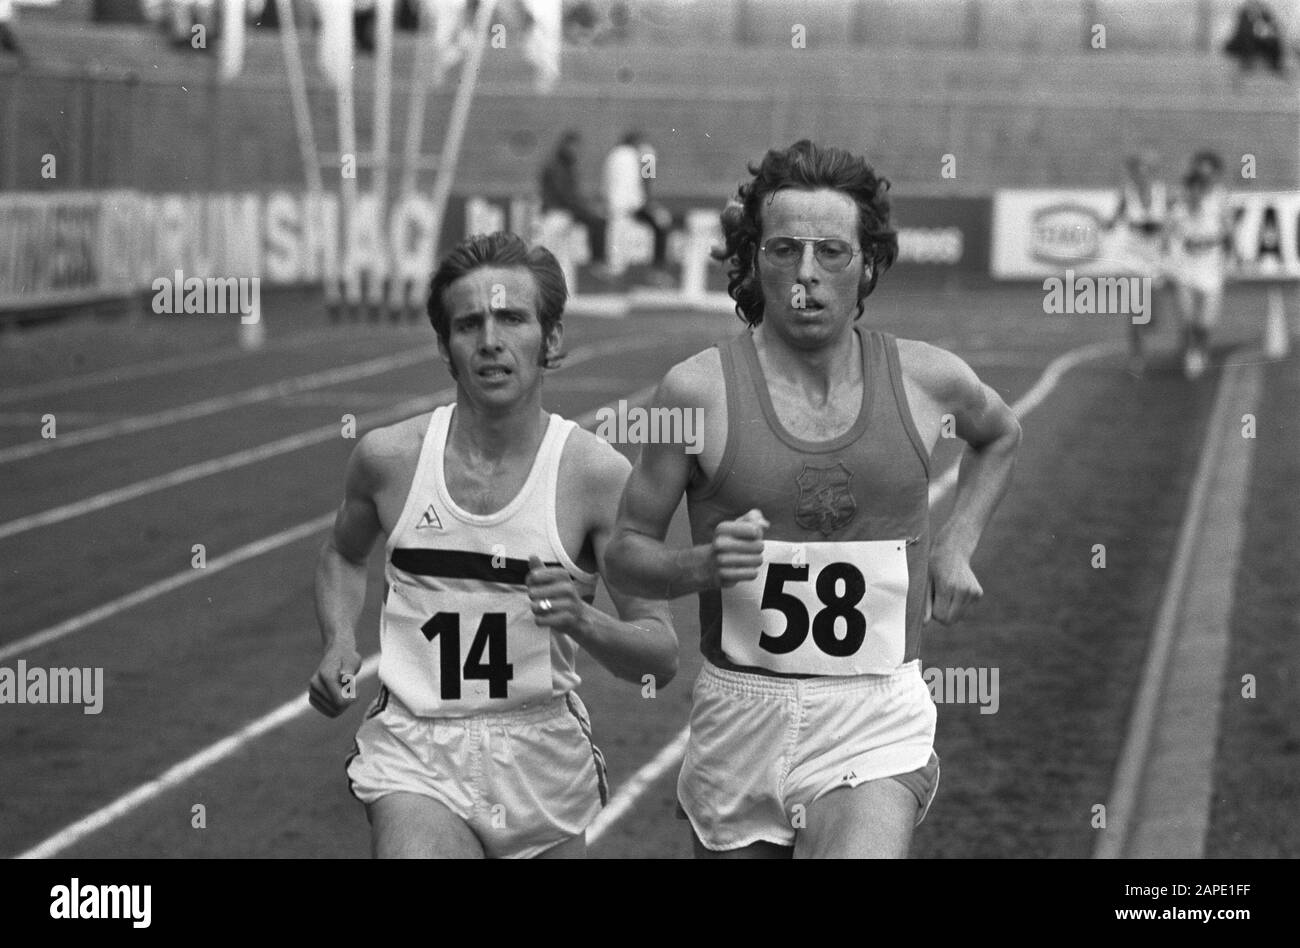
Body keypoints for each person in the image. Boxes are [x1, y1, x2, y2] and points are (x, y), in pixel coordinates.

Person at [604, 140, 1022, 858]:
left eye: (831, 252)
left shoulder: (928, 381)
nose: (806, 276)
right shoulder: (694, 393)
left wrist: (956, 544)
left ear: (869, 263)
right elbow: (624, 556)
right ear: (752, 258)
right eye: (784, 249)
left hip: (874, 715)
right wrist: (700, 568)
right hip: (740, 720)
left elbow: (1000, 434)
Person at [309, 232, 678, 859]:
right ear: (446, 347)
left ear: (552, 338)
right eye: (469, 323)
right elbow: (344, 554)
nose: (490, 341)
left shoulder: (594, 477)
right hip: (416, 749)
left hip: (540, 757)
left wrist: (583, 619)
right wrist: (340, 640)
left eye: (512, 318)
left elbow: (660, 654)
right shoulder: (389, 459)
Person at [1104, 150, 1171, 377]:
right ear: (1132, 175)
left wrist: (1162, 231)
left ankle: (1145, 332)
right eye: (1137, 172)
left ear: (1151, 174)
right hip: (1131, 261)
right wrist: (1108, 224)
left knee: (1152, 318)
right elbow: (1115, 219)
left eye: (1146, 172)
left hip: (1155, 261)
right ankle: (1137, 357)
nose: (1142, 177)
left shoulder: (1164, 194)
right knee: (1136, 312)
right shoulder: (1127, 195)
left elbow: (1174, 220)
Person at [1168, 154, 1232, 379]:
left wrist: (1233, 256)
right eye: (1191, 188)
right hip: (1186, 267)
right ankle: (1190, 353)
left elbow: (1228, 232)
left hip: (1211, 267)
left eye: (1200, 187)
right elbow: (1168, 236)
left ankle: (1201, 349)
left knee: (1205, 323)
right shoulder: (1178, 209)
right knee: (1186, 318)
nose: (1195, 193)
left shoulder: (1218, 202)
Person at [603, 129, 674, 282]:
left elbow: (607, 183)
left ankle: (615, 270)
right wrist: (649, 200)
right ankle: (657, 270)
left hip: (616, 205)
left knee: (616, 238)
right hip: (636, 204)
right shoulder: (646, 152)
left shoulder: (613, 155)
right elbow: (648, 179)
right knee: (662, 224)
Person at [539, 130, 609, 268]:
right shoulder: (648, 156)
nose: (577, 151)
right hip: (558, 211)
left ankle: (598, 264)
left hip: (562, 210)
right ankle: (598, 264)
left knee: (561, 255)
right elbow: (565, 194)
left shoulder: (565, 165)